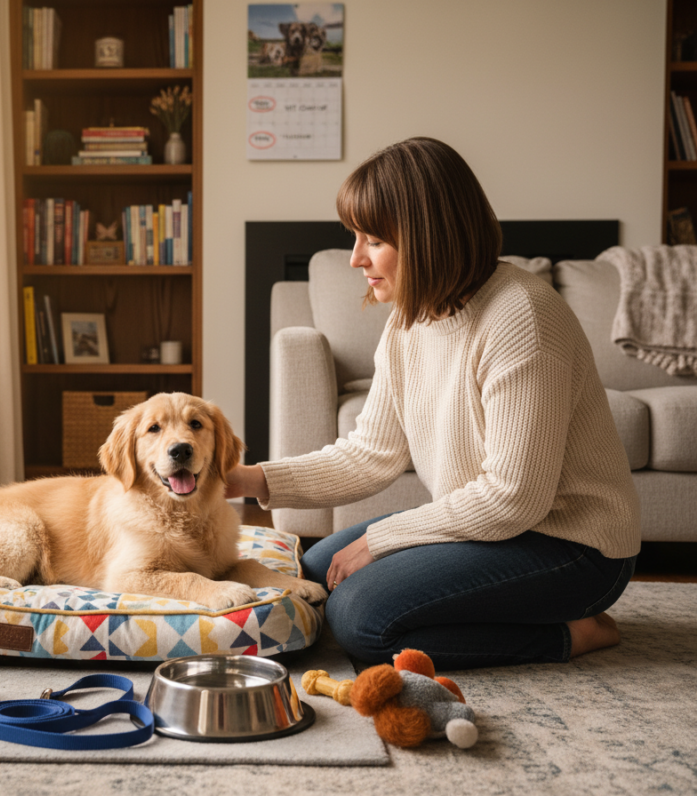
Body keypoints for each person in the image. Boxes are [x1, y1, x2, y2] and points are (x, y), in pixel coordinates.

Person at [227, 137, 640, 670]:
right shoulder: (411, 320)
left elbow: (513, 498)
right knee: (312, 572)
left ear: (426, 238)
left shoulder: (522, 319)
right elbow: (370, 452)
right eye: (356, 237)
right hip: (493, 528)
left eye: (373, 240)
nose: (355, 258)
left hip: (572, 549)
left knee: (360, 621)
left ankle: (572, 632)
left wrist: (381, 539)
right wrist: (249, 479)